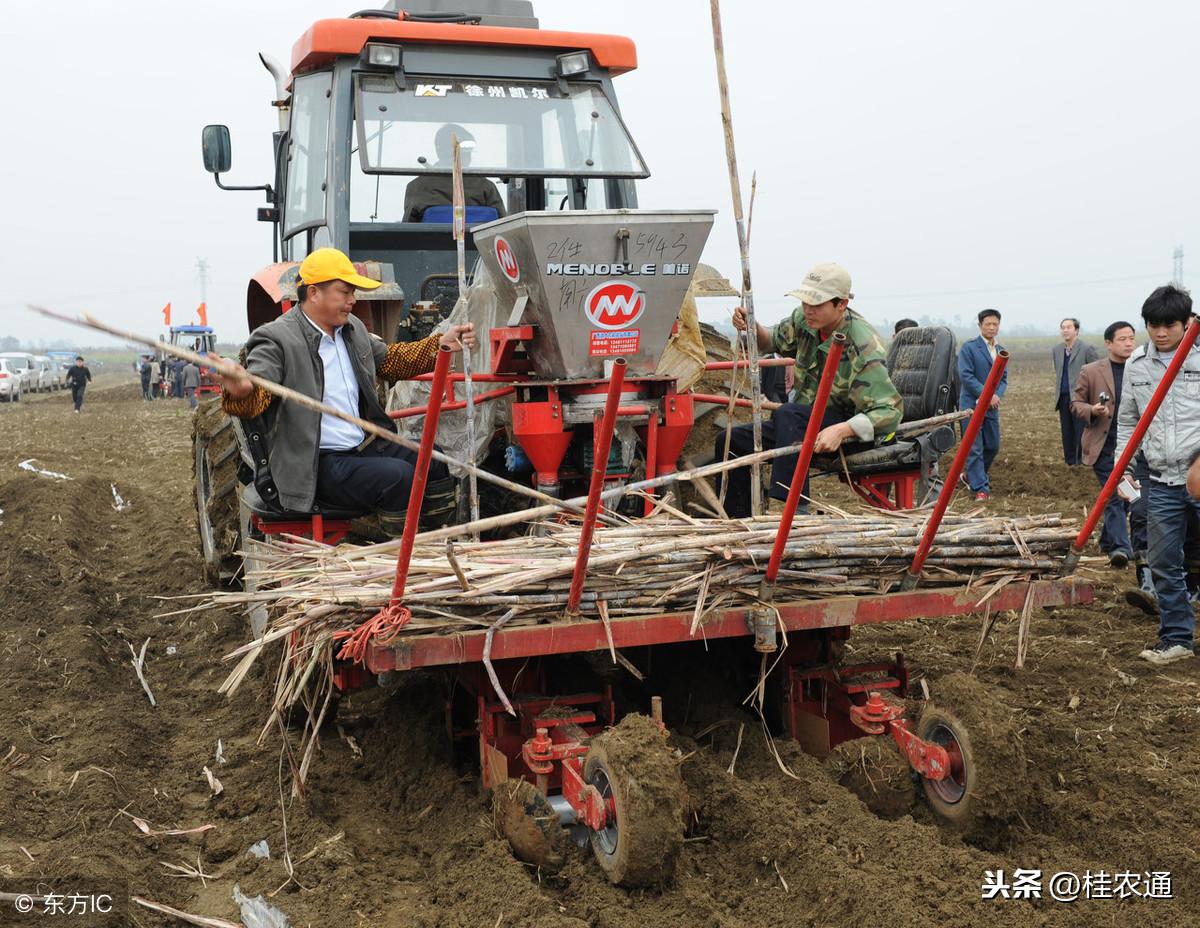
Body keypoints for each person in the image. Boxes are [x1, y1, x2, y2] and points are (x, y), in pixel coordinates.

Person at [213, 247, 476, 535]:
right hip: (314, 464)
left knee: (434, 458)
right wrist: (241, 390)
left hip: (361, 449)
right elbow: (258, 395)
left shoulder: (352, 330)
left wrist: (441, 344)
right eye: (345, 292)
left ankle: (438, 541)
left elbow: (391, 361)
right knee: (398, 478)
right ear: (314, 293)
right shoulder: (275, 338)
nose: (353, 300)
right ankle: (401, 559)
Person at [719, 262, 903, 517]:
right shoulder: (803, 320)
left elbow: (889, 410)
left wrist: (842, 430)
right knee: (732, 441)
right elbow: (771, 340)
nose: (808, 309)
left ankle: (796, 510)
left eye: (816, 304)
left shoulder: (863, 345)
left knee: (788, 413)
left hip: (848, 427)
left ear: (841, 304)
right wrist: (752, 326)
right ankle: (737, 519)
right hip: (802, 423)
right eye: (805, 302)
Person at [1116, 284, 1200, 664]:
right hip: (1163, 481)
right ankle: (1178, 639)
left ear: (1187, 323)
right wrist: (1123, 470)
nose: (1160, 332)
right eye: (1153, 324)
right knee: (1164, 562)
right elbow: (1128, 423)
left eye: (1169, 324)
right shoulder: (1136, 366)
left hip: (1199, 474)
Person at [1070, 321, 1137, 567]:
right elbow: (1075, 403)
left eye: (1132, 338)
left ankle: (1109, 540)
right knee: (1113, 495)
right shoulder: (1092, 371)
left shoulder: (1140, 369)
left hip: (1132, 447)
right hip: (1103, 445)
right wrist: (1093, 410)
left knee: (1130, 496)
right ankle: (1120, 548)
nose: (1129, 343)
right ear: (1108, 343)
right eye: (1122, 339)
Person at [403, 124, 506, 223]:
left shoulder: (417, 186)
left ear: (439, 151)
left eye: (467, 152)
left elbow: (407, 231)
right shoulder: (485, 187)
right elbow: (503, 227)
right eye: (464, 152)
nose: (467, 156)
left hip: (431, 241)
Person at [957, 309, 1008, 501]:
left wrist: (996, 396)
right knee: (974, 447)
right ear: (980, 325)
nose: (992, 327)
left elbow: (1003, 379)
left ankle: (971, 475)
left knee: (993, 446)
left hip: (991, 406)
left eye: (995, 324)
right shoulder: (969, 348)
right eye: (988, 324)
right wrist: (987, 395)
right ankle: (980, 489)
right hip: (972, 405)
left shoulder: (1001, 351)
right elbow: (966, 376)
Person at [1051, 318, 1098, 465]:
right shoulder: (1057, 350)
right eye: (1063, 327)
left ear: (1076, 330)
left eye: (1068, 327)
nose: (1065, 330)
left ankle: (1081, 461)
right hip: (1063, 397)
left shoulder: (1086, 348)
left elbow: (1095, 373)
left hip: (1081, 398)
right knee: (1067, 432)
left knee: (1081, 432)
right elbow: (1058, 372)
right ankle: (1069, 462)